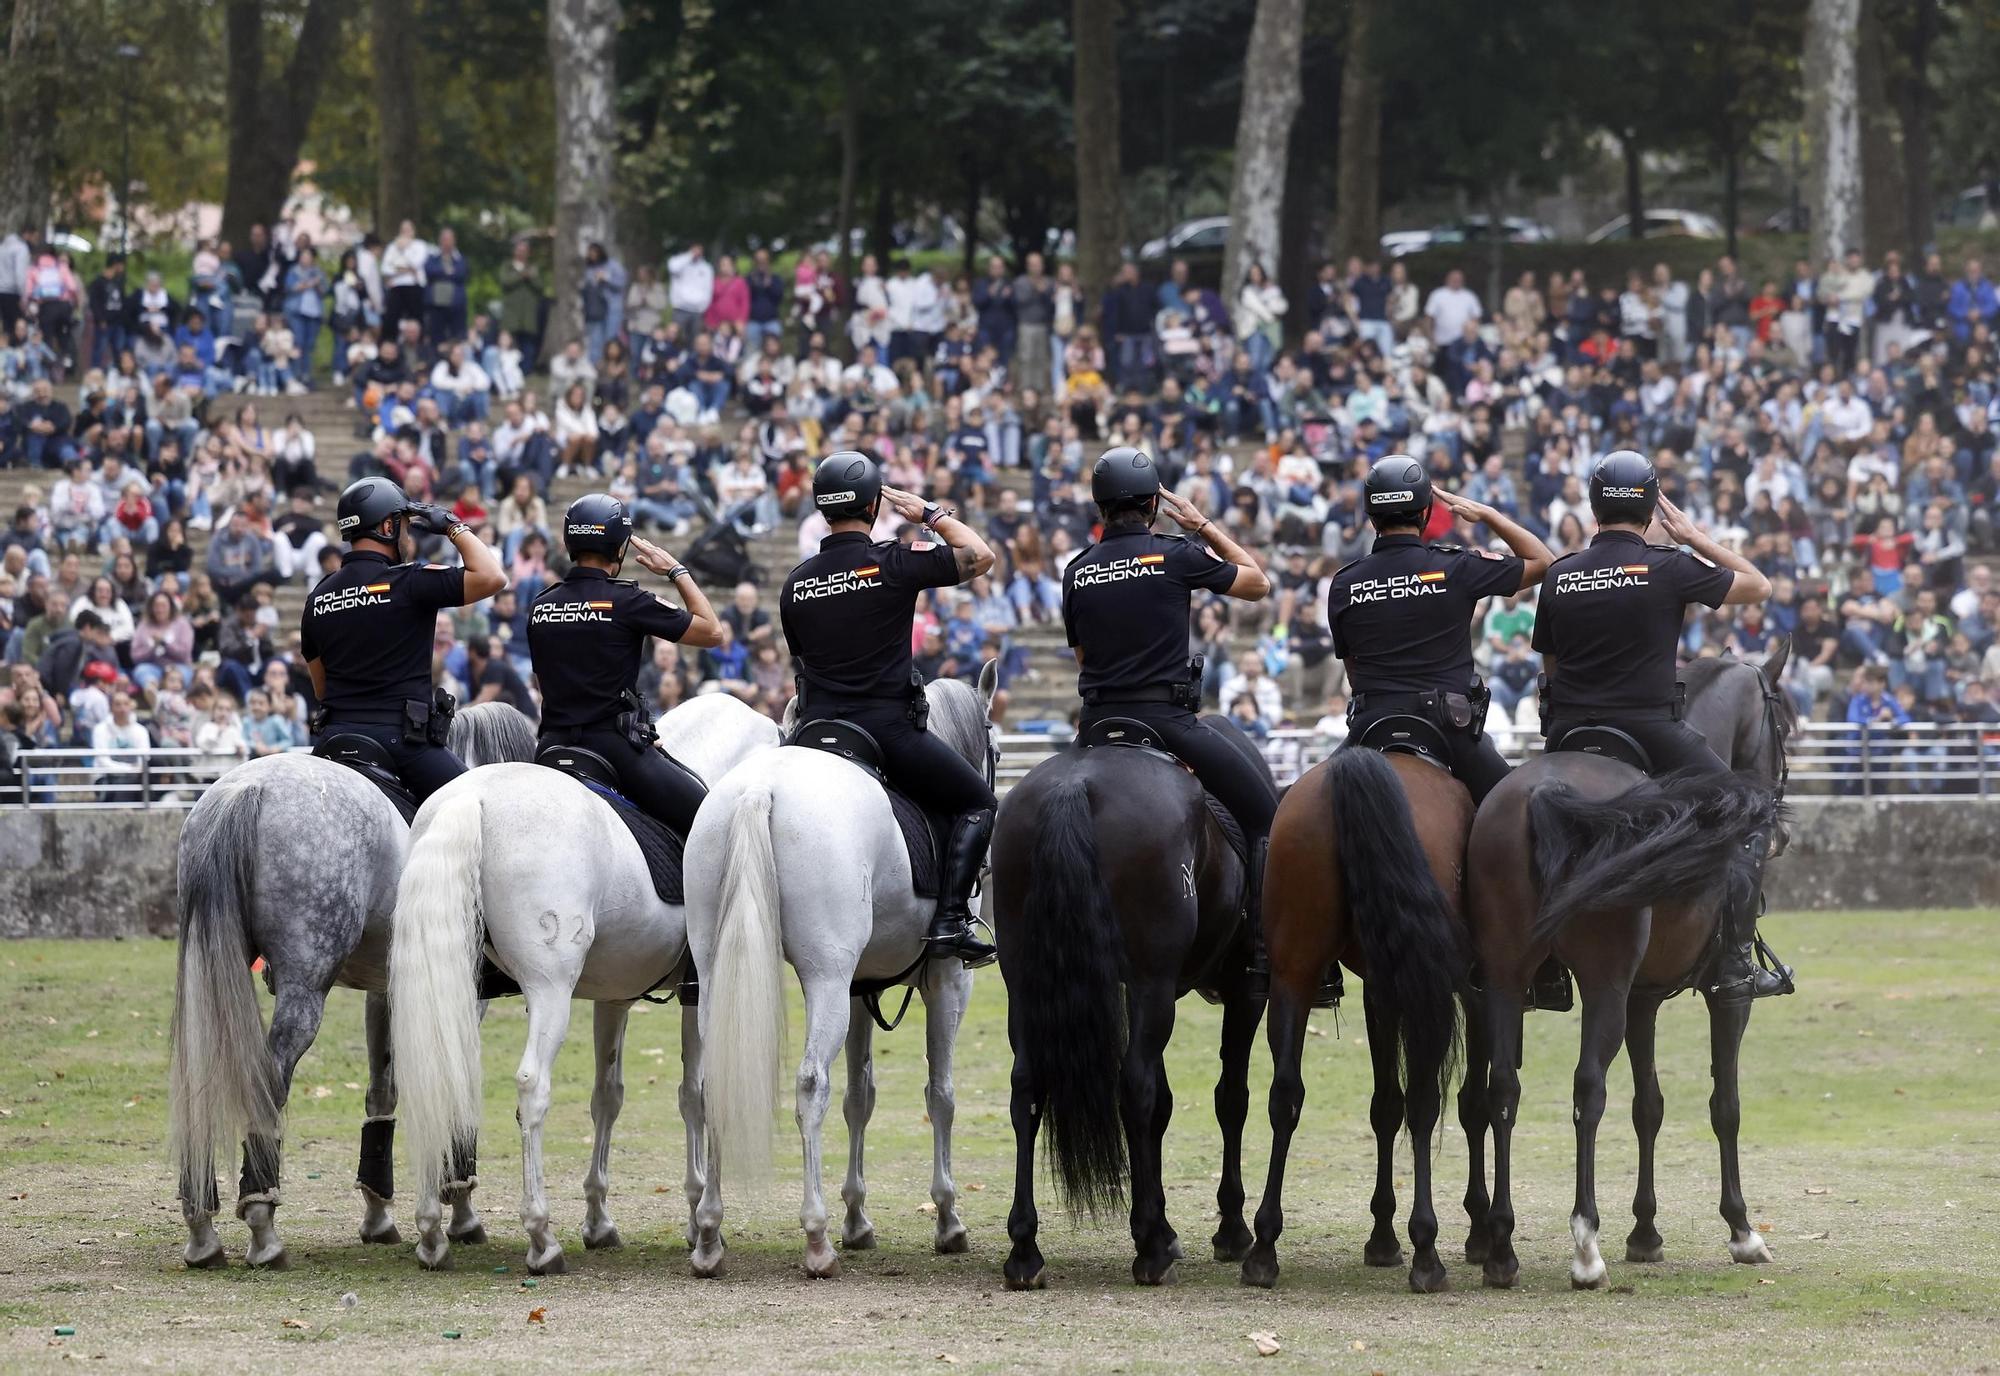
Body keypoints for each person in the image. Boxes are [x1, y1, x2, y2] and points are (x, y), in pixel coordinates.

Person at [1531, 449, 1791, 1003]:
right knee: (1750, 810)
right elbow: (1758, 586)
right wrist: (1693, 537)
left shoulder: (1559, 575)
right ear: (1651, 509)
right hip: (1650, 729)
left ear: (1594, 507)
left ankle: (1537, 965)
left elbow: (1550, 671)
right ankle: (1736, 961)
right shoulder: (1668, 565)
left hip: (1569, 735)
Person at [1058, 446, 1277, 988]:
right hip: (1166, 720)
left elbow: (1082, 657)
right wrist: (1202, 524)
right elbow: (1258, 582)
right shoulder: (1176, 553)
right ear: (1154, 504)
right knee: (1264, 815)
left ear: (1099, 507)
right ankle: (1259, 945)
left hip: (1097, 725)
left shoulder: (1077, 570)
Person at [779, 450, 998, 966]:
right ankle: (950, 922)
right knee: (979, 804)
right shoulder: (892, 560)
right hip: (884, 730)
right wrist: (930, 514)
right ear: (875, 505)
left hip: (814, 732)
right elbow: (981, 556)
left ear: (821, 508)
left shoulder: (796, 583)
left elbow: (803, 656)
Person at [1329, 454, 1552, 800]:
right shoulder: (1455, 567)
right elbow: (1543, 563)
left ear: (1371, 516)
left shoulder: (1344, 583)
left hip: (1369, 727)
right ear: (1424, 512)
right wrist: (1489, 515)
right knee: (1521, 812)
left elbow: (1353, 674)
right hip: (1447, 729)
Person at [299, 477, 508, 800]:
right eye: (406, 528)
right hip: (401, 744)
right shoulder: (410, 581)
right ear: (387, 527)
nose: (408, 537)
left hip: (333, 741)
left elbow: (321, 689)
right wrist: (453, 526)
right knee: (482, 808)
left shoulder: (317, 598)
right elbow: (493, 577)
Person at [527, 493, 723, 835]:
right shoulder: (627, 600)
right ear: (619, 548)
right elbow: (711, 632)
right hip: (612, 746)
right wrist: (676, 571)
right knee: (711, 822)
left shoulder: (541, 604)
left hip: (551, 745)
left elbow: (543, 682)